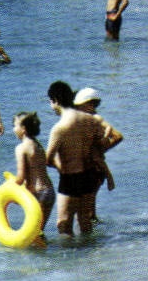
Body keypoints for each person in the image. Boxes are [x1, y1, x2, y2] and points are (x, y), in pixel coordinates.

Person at [46, 82, 122, 236]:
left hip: (70, 178)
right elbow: (108, 139)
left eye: (50, 102)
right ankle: (92, 256)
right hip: (89, 175)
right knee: (85, 222)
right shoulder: (91, 120)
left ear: (55, 100)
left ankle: (72, 259)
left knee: (64, 224)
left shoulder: (59, 128)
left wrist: (61, 167)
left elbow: (48, 159)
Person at [11, 111, 55, 240]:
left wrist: (5, 189)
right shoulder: (38, 145)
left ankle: (42, 258)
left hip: (38, 193)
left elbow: (20, 178)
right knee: (38, 232)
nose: (14, 129)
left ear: (23, 129)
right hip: (49, 192)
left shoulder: (21, 148)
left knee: (34, 235)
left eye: (15, 126)